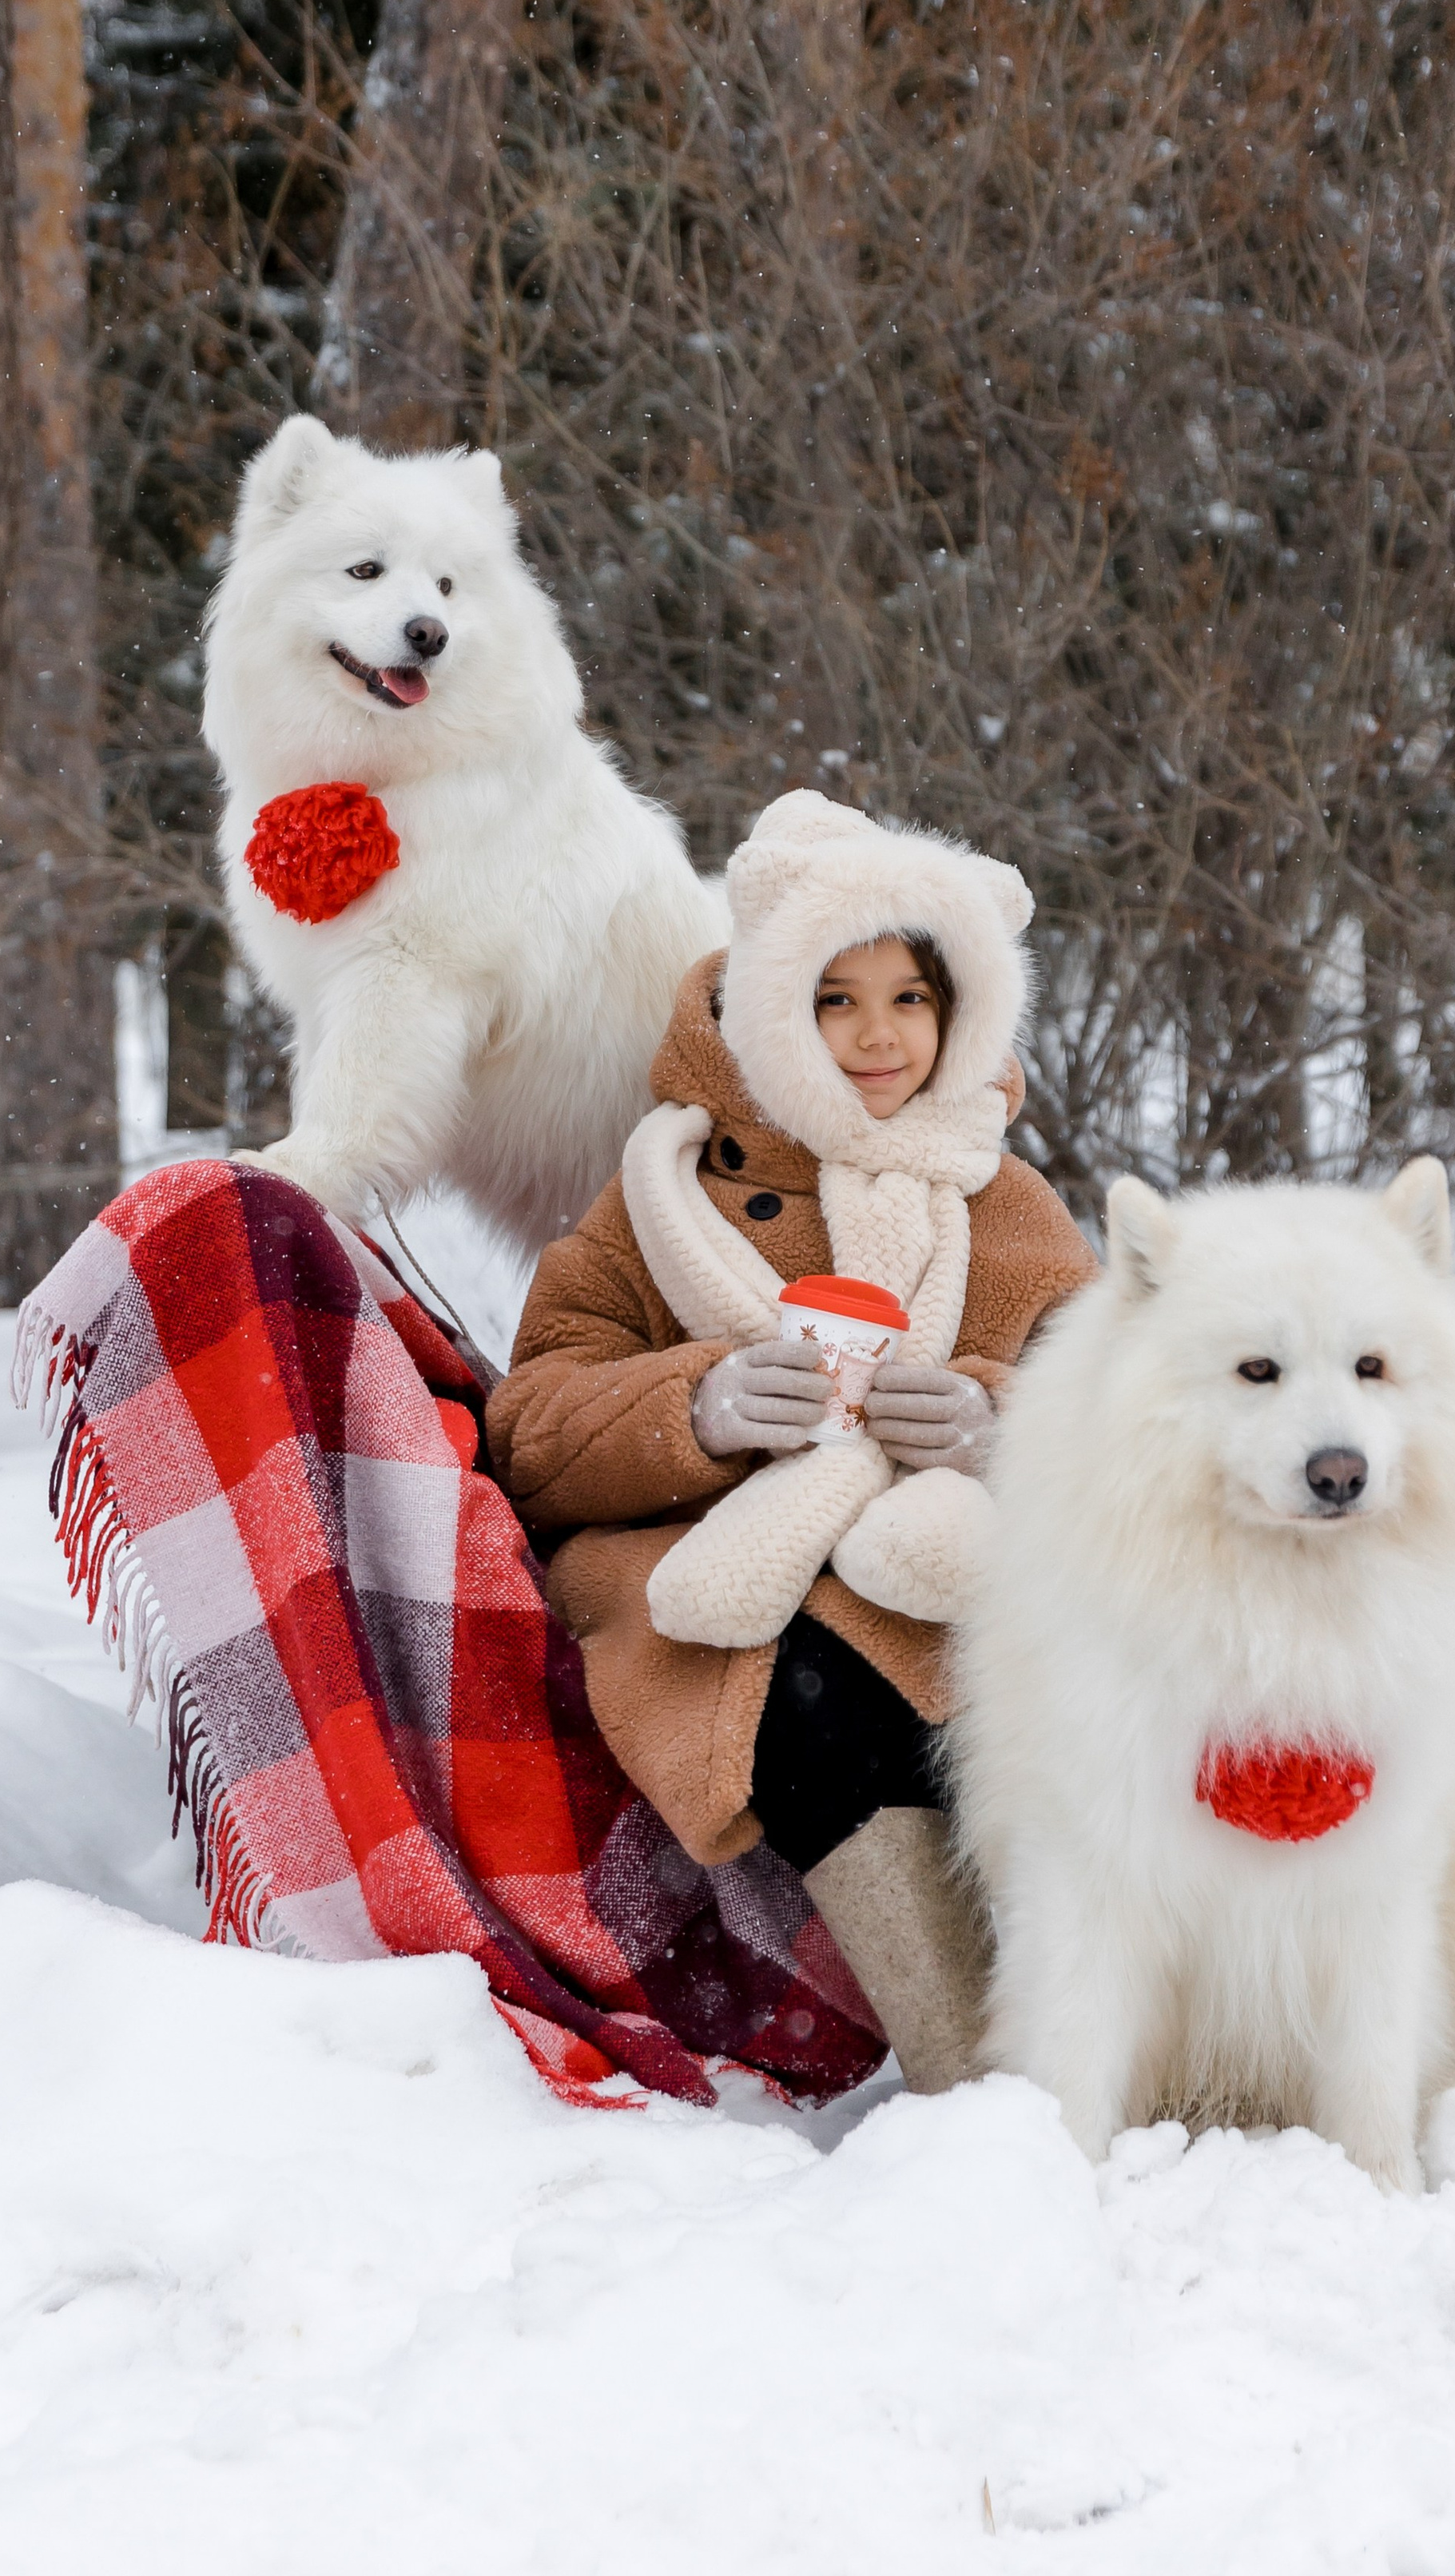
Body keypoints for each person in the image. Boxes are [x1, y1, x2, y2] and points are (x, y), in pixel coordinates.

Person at [486, 790, 1096, 2090]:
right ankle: (968, 2066)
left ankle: (1095, 2030)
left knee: (988, 1686)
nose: (877, 1037)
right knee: (818, 1687)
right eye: (834, 998)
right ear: (772, 1005)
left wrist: (995, 1421)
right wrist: (695, 1406)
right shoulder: (663, 1188)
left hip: (944, 1555)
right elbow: (531, 1424)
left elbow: (1124, 1410)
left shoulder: (1012, 1204)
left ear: (963, 1013)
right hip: (715, 1574)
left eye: (911, 999)